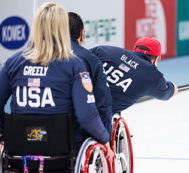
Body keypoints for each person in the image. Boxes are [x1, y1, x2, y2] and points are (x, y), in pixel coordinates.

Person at [0, 2, 114, 161]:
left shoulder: (13, 62)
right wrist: (104, 138)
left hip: (19, 150)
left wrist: (4, 132)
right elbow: (87, 116)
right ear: (62, 30)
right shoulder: (75, 65)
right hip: (61, 153)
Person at [90, 37, 178, 115]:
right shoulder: (152, 75)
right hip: (96, 116)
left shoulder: (104, 50)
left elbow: (79, 57)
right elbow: (166, 93)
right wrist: (173, 88)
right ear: (156, 59)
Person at [68, 12, 113, 135]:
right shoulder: (90, 59)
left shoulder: (42, 56)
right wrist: (105, 137)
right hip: (75, 131)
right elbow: (103, 102)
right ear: (82, 34)